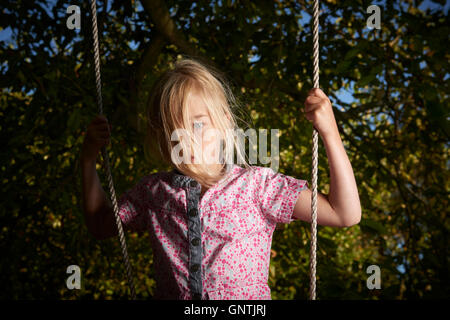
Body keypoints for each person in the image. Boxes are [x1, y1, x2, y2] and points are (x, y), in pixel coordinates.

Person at [80, 57, 361, 300]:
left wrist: (330, 131)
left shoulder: (258, 186)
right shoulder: (153, 192)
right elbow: (101, 225)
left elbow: (344, 213)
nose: (187, 139)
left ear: (225, 121)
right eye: (172, 128)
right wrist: (88, 159)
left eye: (199, 124)